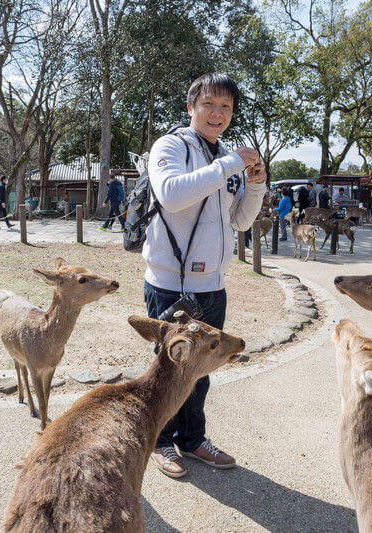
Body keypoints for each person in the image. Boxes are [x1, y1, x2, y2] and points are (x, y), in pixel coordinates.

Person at [144, 73, 265, 478]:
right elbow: (172, 194)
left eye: (226, 107)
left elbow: (240, 221)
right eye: (209, 104)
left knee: (201, 372)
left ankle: (193, 439)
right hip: (170, 284)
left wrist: (257, 186)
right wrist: (231, 163)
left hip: (213, 285)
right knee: (169, 367)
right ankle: (159, 441)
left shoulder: (226, 158)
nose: (217, 113)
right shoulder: (171, 146)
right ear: (191, 107)